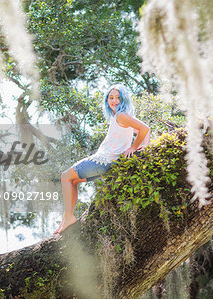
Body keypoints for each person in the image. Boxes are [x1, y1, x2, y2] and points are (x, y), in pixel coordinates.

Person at [54, 84, 150, 234]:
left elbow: (145, 129)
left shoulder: (121, 116)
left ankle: (68, 217)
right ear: (106, 100)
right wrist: (144, 146)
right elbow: (143, 130)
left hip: (102, 161)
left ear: (124, 99)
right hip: (108, 165)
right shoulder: (124, 117)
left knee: (65, 177)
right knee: (73, 180)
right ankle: (68, 217)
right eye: (111, 97)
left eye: (118, 97)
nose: (114, 101)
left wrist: (133, 148)